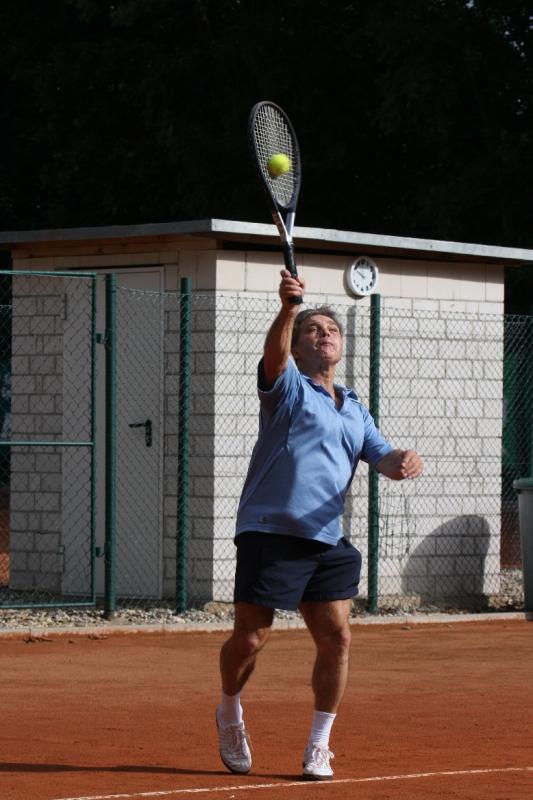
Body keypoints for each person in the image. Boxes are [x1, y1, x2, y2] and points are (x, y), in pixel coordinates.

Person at [216, 269, 424, 780]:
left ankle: (318, 744)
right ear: (298, 346)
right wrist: (289, 310)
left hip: (327, 539)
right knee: (250, 639)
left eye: (331, 329)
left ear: (340, 345)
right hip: (270, 531)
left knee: (338, 639)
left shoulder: (354, 408)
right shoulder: (288, 388)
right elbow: (273, 358)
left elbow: (381, 457)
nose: (324, 334)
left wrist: (401, 461)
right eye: (313, 329)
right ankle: (229, 710)